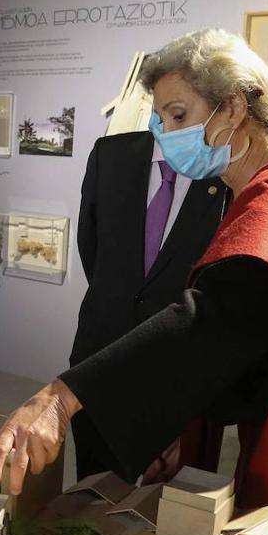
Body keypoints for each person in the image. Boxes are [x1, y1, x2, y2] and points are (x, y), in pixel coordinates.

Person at [0, 28, 268, 516]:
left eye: (179, 115)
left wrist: (62, 397)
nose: (165, 132)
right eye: (160, 117)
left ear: (233, 108)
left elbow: (213, 318)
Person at [69, 129, 227, 480]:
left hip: (176, 375)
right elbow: (91, 247)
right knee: (90, 497)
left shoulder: (224, 168)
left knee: (168, 512)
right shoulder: (110, 154)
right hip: (99, 357)